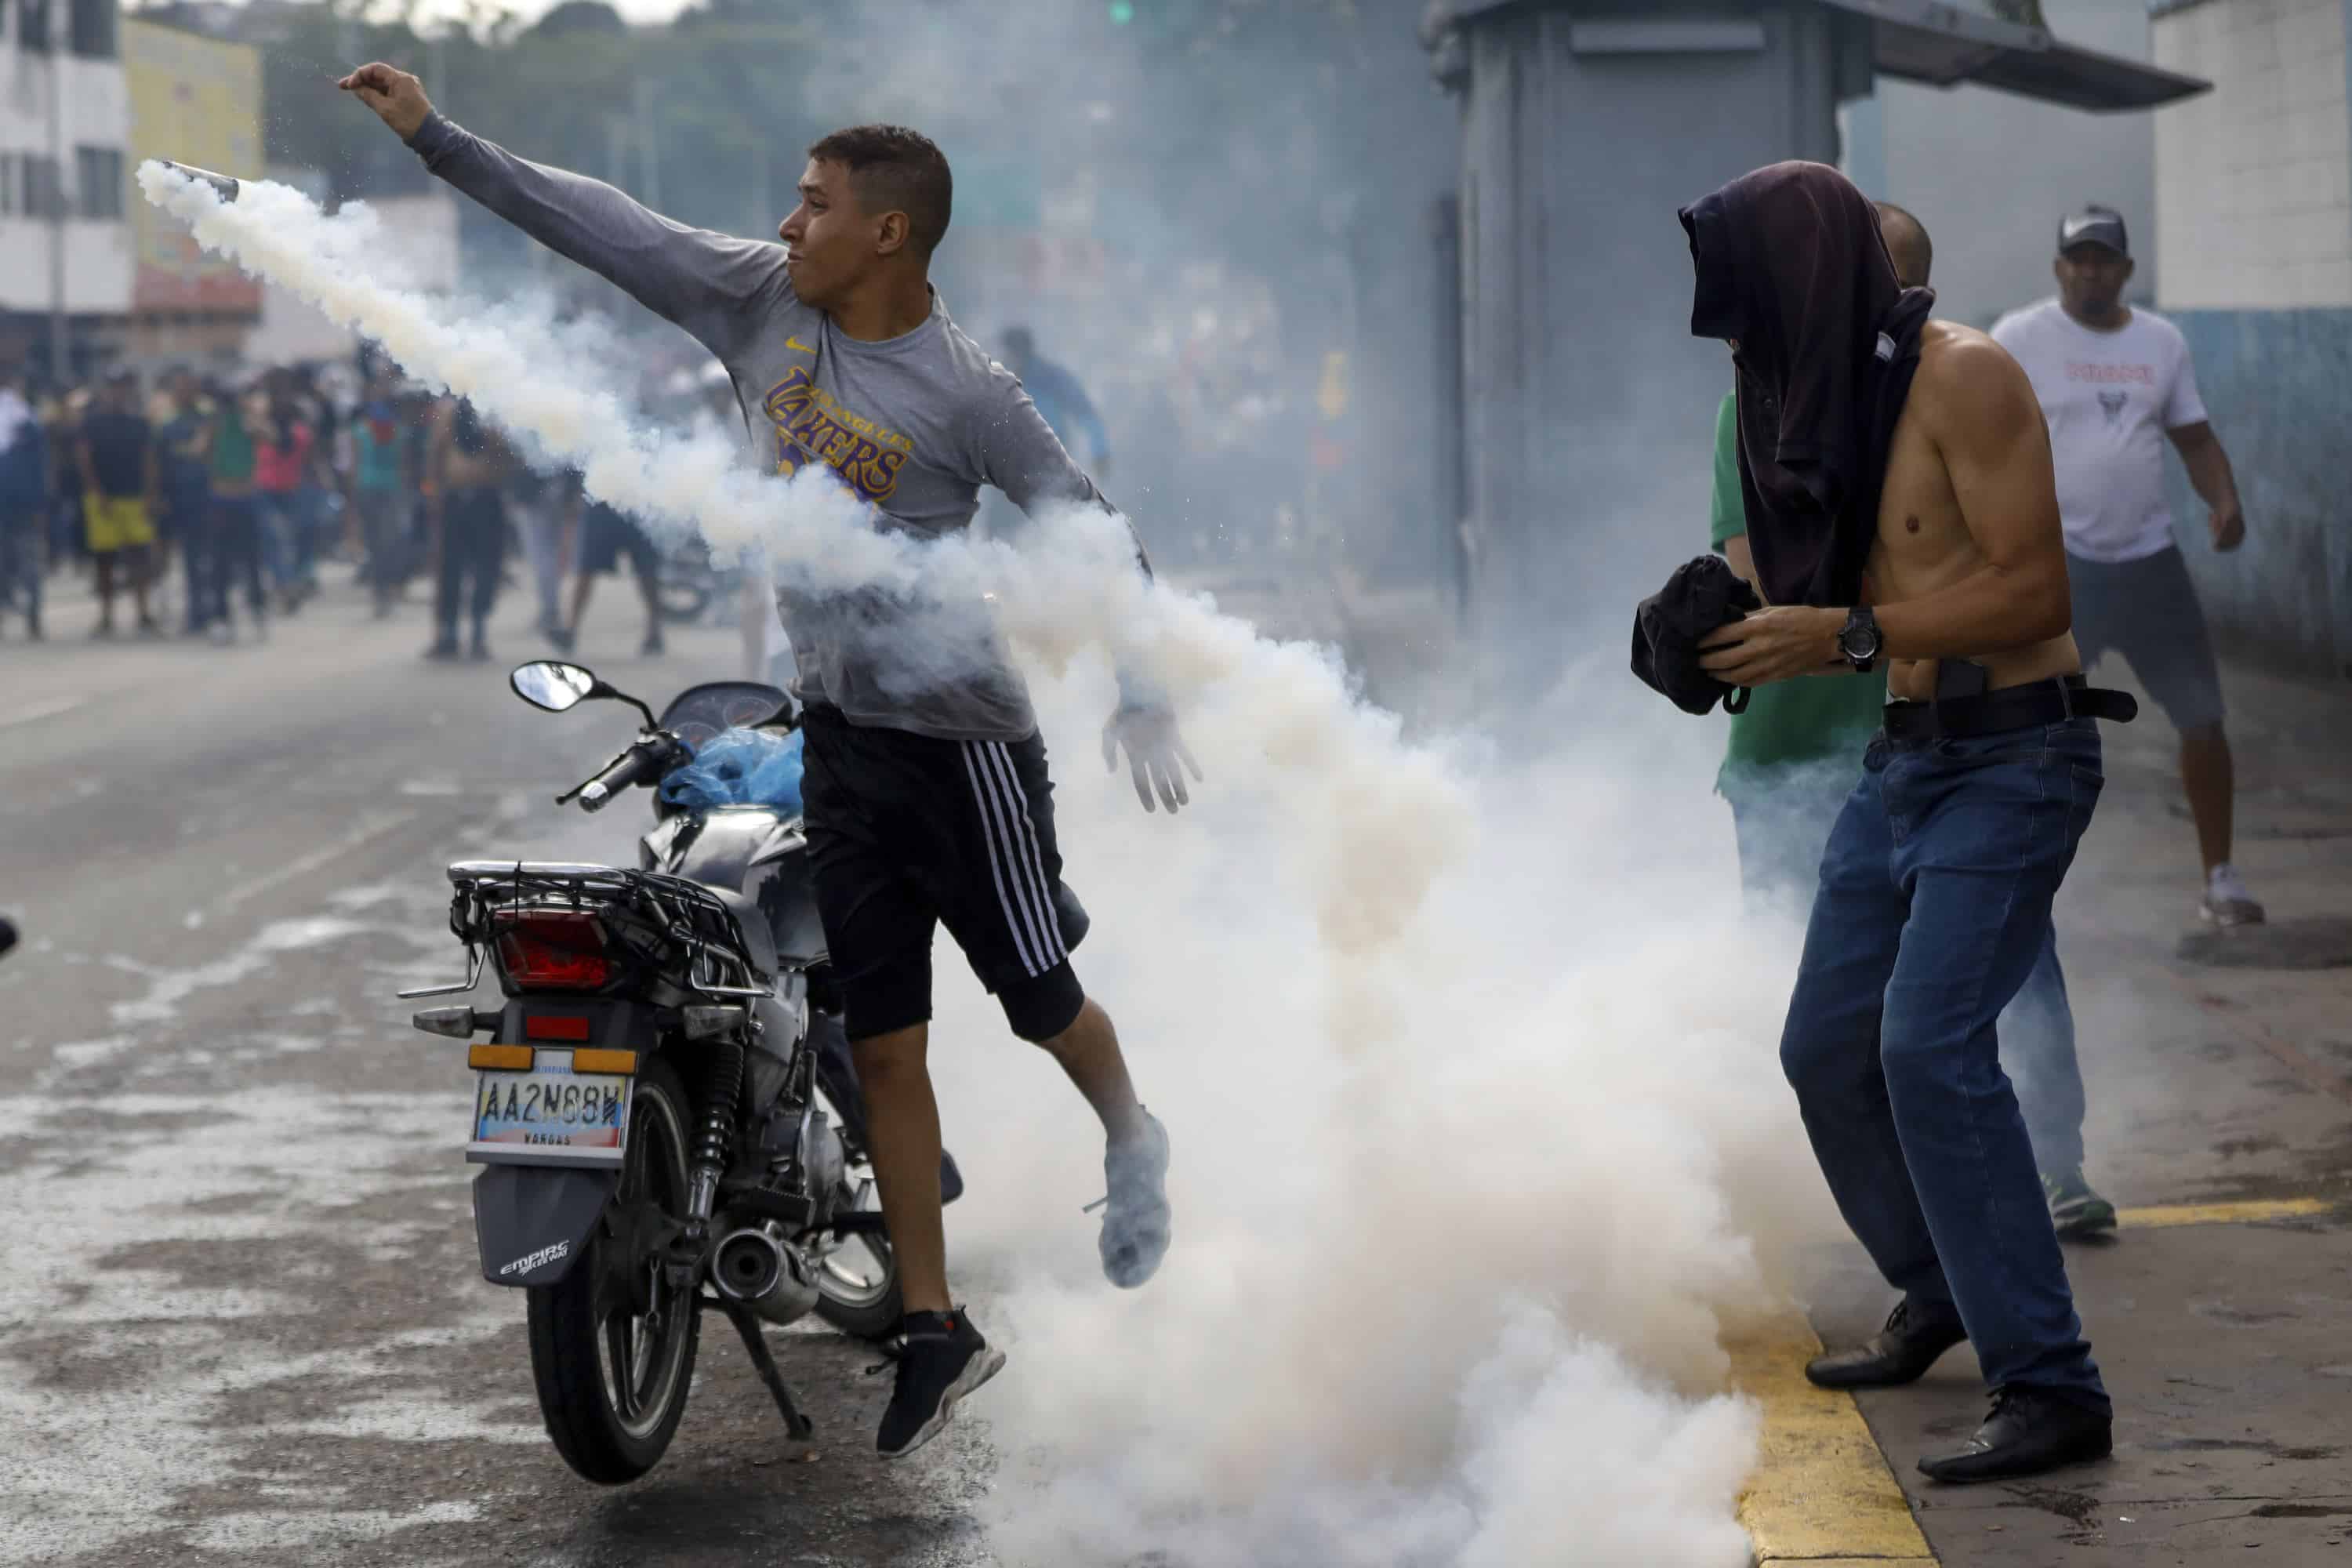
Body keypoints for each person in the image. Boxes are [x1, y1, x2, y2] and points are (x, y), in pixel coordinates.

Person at [344, 60, 1199, 1460]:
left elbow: (1097, 538)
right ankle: (935, 1326)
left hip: (964, 745)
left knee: (1040, 999)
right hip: (843, 736)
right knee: (887, 1039)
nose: (785, 225)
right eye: (792, 203)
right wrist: (440, 140)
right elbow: (601, 223)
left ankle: (1132, 1132)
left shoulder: (970, 394)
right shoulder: (753, 298)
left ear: (889, 237)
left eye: (813, 207)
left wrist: (1146, 689)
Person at [1685, 162, 2119, 1483]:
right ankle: (1939, 1286)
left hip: (2016, 756)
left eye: (1756, 297)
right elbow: (1826, 607)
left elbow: (2037, 593)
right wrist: (1712, 639)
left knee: (1929, 1050)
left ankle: (2051, 1383)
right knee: (1825, 1048)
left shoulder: (1965, 376)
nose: (1742, 332)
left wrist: (1852, 630)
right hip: (1905, 763)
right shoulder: (1832, 401)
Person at [1991, 207, 2259, 927]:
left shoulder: (2160, 343)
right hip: (2062, 565)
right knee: (2023, 722)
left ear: (2126, 270)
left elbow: (2195, 440)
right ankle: (2011, 878)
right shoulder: (2019, 337)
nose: (2090, 270)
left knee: (2203, 717)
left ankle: (2222, 878)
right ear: (2058, 268)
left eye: (2103, 259)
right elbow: (1975, 431)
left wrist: (2225, 500)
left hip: (2150, 563)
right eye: (2078, 258)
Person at [423, 394, 511, 662]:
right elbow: (437, 455)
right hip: (459, 499)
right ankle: (452, 634)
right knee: (451, 569)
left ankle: (476, 633)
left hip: (483, 499)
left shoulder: (495, 413)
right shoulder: (450, 413)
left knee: (483, 570)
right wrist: (435, 495)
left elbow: (506, 457)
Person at [77, 368, 162, 638]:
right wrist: (97, 494)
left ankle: (143, 613)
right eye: (114, 387)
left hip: (134, 498)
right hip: (103, 500)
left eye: (123, 387)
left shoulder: (140, 423)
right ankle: (106, 616)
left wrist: (150, 496)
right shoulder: (92, 423)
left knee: (140, 558)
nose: (118, 392)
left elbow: (149, 461)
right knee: (105, 561)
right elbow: (85, 460)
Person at [558, 468, 665, 657]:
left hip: (640, 501)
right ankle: (570, 630)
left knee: (647, 571)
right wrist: (571, 497)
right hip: (602, 502)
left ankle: (655, 628)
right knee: (587, 568)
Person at [154, 368, 216, 637]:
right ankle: (197, 613)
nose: (184, 393)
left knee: (212, 557)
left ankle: (215, 609)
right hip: (181, 499)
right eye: (179, 388)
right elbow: (158, 464)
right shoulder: (167, 425)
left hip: (211, 497)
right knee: (191, 558)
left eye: (188, 387)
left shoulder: (209, 418)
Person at [1000, 326, 1112, 476]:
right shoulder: (999, 381)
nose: (1010, 358)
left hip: (1051, 457)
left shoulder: (1050, 378)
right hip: (1007, 461)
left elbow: (1085, 412)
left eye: (1014, 352)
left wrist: (1100, 451)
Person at [206, 382, 270, 644]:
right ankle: (222, 617)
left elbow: (269, 436)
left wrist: (250, 416)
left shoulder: (249, 423)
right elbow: (200, 450)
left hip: (246, 498)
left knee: (252, 560)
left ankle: (257, 610)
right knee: (220, 563)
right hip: (222, 499)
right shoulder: (214, 425)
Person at [349, 368, 410, 617]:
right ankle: (383, 589)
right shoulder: (396, 430)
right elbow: (405, 465)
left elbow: (354, 465)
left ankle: (382, 590)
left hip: (374, 489)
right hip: (383, 490)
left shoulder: (363, 430)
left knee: (379, 543)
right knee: (385, 542)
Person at [0, 364, 48, 641]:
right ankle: (29, 615)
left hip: (22, 502)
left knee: (25, 560)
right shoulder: (26, 416)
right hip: (18, 501)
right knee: (16, 560)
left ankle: (32, 615)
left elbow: (39, 464)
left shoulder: (26, 417)